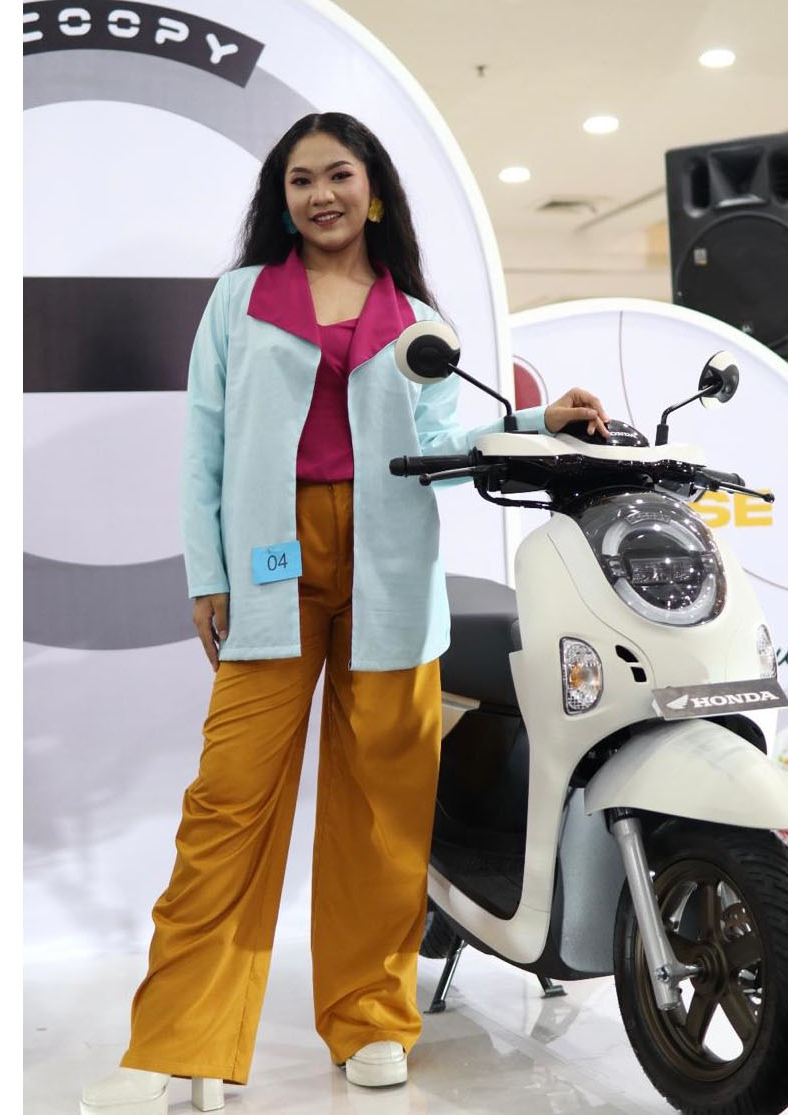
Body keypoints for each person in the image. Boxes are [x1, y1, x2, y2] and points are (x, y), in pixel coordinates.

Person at [80, 112, 610, 1115]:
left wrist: (535, 422)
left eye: (338, 175)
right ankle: (182, 1036)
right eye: (300, 180)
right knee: (228, 801)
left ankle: (370, 1015)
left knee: (384, 804)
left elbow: (443, 440)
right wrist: (209, 572)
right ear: (280, 200)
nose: (320, 195)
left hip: (391, 567)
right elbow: (203, 443)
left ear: (373, 191)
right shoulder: (240, 299)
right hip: (272, 565)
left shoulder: (415, 316)